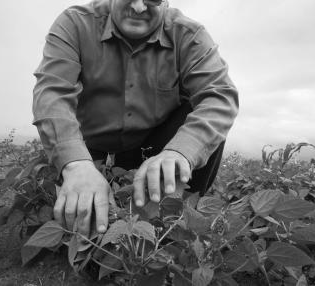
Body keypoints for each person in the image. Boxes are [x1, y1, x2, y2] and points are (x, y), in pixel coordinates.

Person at [32, 0, 239, 239]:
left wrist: (179, 153)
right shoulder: (76, 23)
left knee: (204, 116)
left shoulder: (189, 35)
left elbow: (219, 96)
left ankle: (178, 220)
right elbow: (52, 92)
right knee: (82, 221)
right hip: (90, 147)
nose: (139, 7)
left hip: (151, 147)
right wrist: (76, 164)